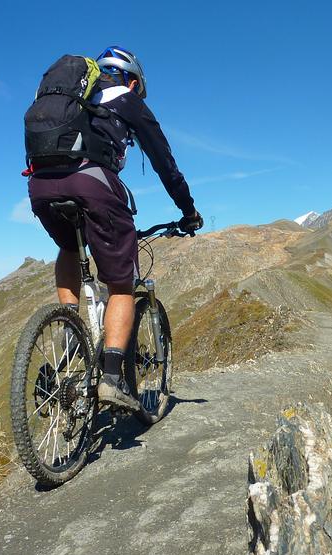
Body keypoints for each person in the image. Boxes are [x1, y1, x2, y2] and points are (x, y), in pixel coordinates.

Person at [27, 46, 202, 412]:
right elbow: (165, 164)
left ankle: (71, 326)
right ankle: (111, 377)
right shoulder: (126, 98)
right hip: (92, 184)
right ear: (133, 80)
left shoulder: (69, 95)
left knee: (70, 249)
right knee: (121, 283)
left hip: (40, 184)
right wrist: (188, 211)